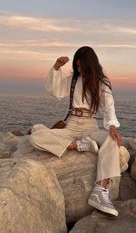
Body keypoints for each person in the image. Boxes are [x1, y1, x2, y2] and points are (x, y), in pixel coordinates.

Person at [29, 46, 122, 217]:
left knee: (111, 140)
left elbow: (109, 106)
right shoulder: (73, 79)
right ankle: (79, 146)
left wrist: (112, 126)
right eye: (77, 66)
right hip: (71, 126)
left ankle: (100, 191)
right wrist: (56, 68)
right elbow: (55, 92)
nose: (79, 70)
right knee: (35, 137)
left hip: (90, 127)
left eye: (82, 66)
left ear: (90, 65)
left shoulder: (102, 83)